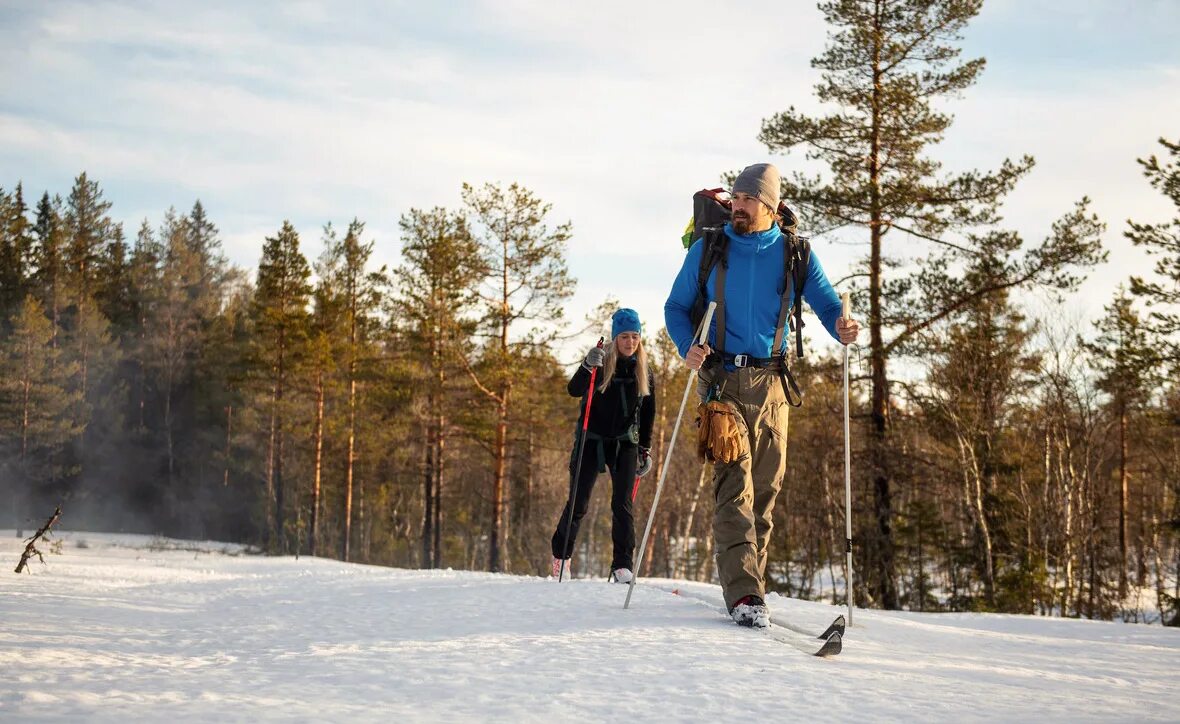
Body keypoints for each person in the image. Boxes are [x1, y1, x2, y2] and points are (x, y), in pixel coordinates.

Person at [664, 162, 859, 627]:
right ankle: (745, 595)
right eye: (734, 197)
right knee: (735, 489)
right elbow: (675, 307)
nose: (737, 206)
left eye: (748, 199)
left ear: (769, 206)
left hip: (773, 387)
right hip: (721, 381)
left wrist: (842, 326)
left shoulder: (795, 254)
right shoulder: (708, 249)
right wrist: (687, 346)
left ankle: (754, 586)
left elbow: (828, 302)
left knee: (765, 493)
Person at [551, 308, 656, 583]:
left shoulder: (643, 370)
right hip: (592, 441)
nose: (630, 342)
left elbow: (648, 413)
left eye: (635, 336)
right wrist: (586, 366)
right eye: (624, 336)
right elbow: (574, 390)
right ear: (614, 338)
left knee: (623, 505)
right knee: (578, 503)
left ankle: (622, 565)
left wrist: (645, 448)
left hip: (625, 444)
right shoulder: (599, 363)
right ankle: (561, 559)